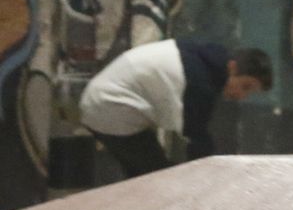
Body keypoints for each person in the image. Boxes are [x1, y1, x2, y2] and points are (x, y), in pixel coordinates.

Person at [77, 40, 273, 179]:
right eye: (245, 86)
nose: (242, 96)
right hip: (111, 105)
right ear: (232, 67)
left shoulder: (202, 58)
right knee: (158, 180)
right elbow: (197, 140)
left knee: (144, 178)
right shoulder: (199, 82)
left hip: (102, 101)